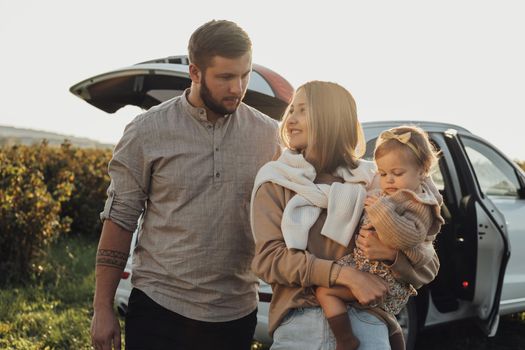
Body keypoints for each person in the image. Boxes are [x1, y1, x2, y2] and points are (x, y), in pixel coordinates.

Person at [90, 20, 280, 350]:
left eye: (244, 75)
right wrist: (102, 307)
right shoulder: (146, 131)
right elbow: (119, 219)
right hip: (159, 309)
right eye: (225, 77)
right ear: (194, 72)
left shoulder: (268, 135)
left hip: (235, 314)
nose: (238, 87)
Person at [250, 81, 440, 350]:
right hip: (301, 324)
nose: (290, 119)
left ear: (330, 118)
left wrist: (390, 255)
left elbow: (428, 265)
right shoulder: (277, 180)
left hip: (368, 322)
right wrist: (346, 276)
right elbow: (269, 260)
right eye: (291, 110)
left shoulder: (376, 181)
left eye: (302, 110)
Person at [316, 125, 445, 350]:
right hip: (366, 268)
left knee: (325, 291)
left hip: (384, 279)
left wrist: (381, 210)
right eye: (383, 174)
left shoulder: (419, 204)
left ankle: (345, 340)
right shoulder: (389, 194)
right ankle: (396, 338)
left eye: (397, 174)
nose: (389, 180)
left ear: (422, 170)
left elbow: (409, 237)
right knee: (378, 313)